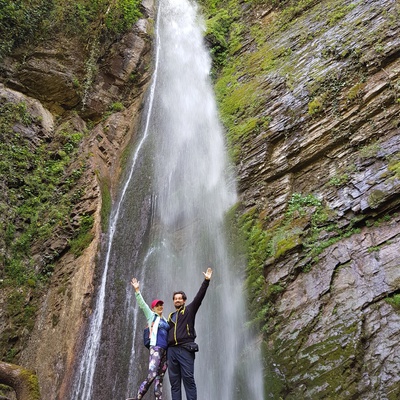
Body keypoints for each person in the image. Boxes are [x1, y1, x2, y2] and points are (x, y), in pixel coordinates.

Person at [167, 267, 213, 400]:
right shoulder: (170, 316)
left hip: (185, 349)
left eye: (180, 298)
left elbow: (199, 297)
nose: (177, 300)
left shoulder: (189, 311)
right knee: (174, 383)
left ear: (184, 300)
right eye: (175, 299)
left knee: (188, 379)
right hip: (171, 351)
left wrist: (206, 281)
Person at [126, 278, 170, 400]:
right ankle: (138, 397)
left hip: (165, 351)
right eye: (157, 305)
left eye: (161, 305)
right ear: (153, 308)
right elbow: (142, 304)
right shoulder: (151, 316)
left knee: (159, 378)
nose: (160, 307)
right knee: (152, 375)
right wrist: (137, 290)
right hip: (155, 348)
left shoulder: (166, 320)